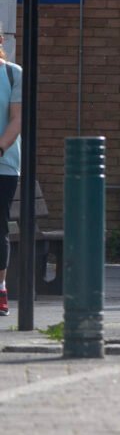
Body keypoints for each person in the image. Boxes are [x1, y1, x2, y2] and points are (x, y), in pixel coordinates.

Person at [0, 37, 21, 315]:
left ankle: (0, 287)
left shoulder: (12, 74)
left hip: (4, 165)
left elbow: (17, 118)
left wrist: (1, 147)